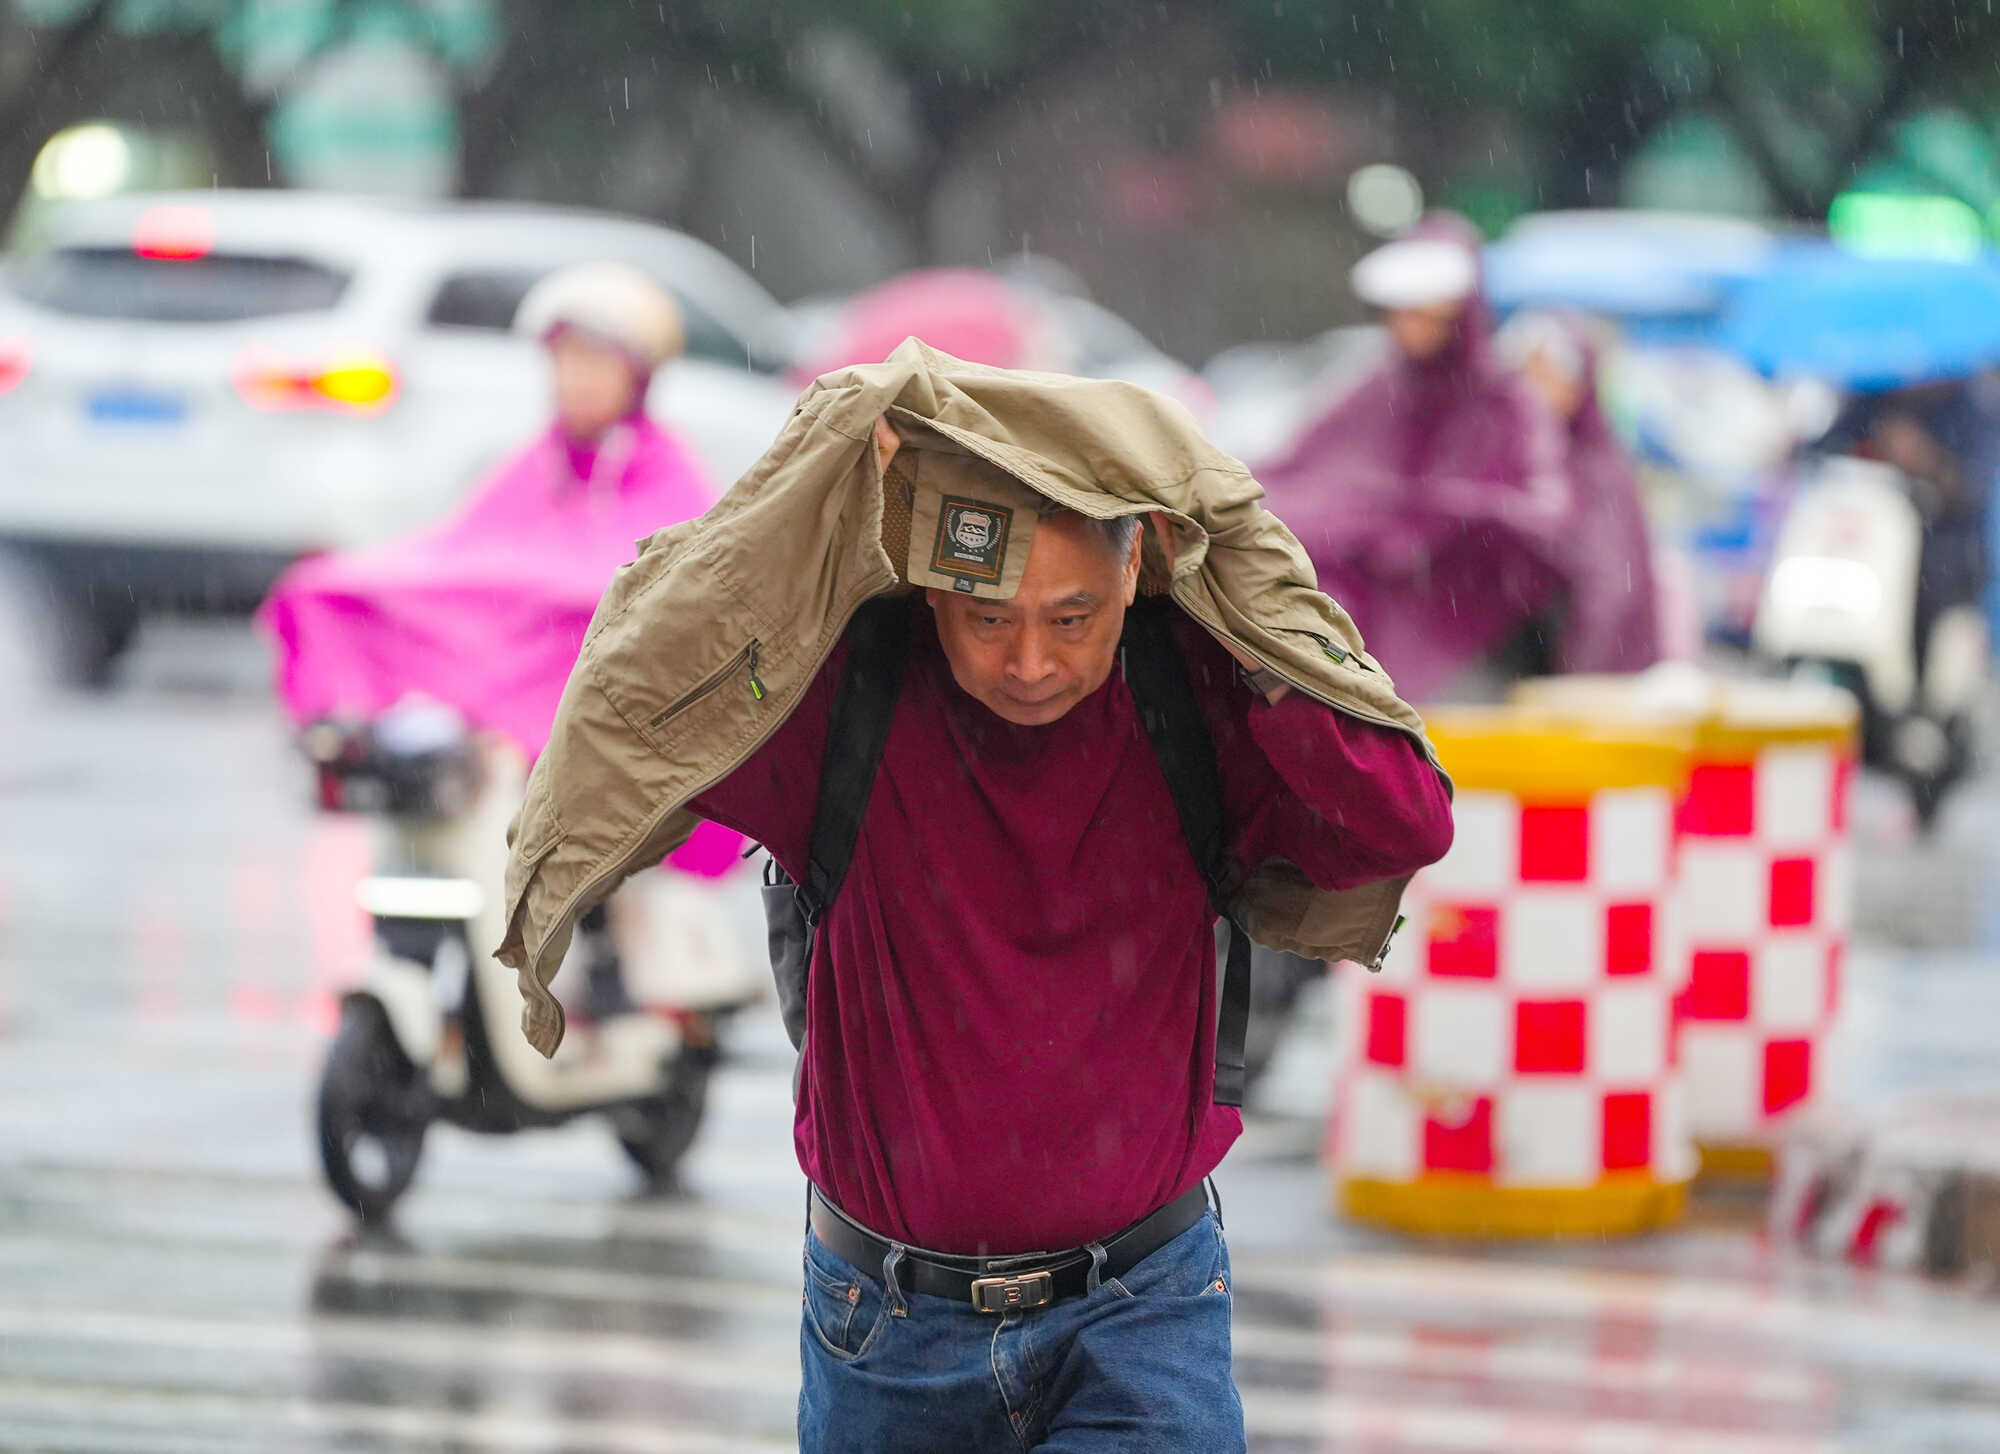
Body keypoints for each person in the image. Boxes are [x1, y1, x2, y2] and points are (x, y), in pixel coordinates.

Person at [494, 341, 1455, 1451]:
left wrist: (1255, 604)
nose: (1032, 659)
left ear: (1138, 564)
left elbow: (1403, 820)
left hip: (1141, 1315)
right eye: (988, 617)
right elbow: (647, 677)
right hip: (887, 1334)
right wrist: (817, 469)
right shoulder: (839, 702)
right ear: (928, 583)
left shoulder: (1192, 696)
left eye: (1072, 614)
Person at [259, 260, 742, 869]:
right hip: (494, 742)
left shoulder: (666, 472)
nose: (577, 379)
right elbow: (458, 555)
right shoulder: (536, 462)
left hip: (603, 756)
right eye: (566, 361)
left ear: (637, 376)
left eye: (597, 362)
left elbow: (663, 589)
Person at [1258, 212, 1573, 701]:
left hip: (1473, 642)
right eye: (1401, 311)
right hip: (1363, 635)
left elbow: (1540, 515)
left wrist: (1440, 521)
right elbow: (1291, 475)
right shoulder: (1373, 391)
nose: (1409, 327)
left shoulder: (1505, 404)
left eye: (1426, 311)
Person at [1497, 309, 1663, 673]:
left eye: (1547, 376)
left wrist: (1574, 680)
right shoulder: (1508, 459)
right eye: (1524, 374)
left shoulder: (1595, 467)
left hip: (1590, 681)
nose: (1532, 390)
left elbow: (1611, 592)